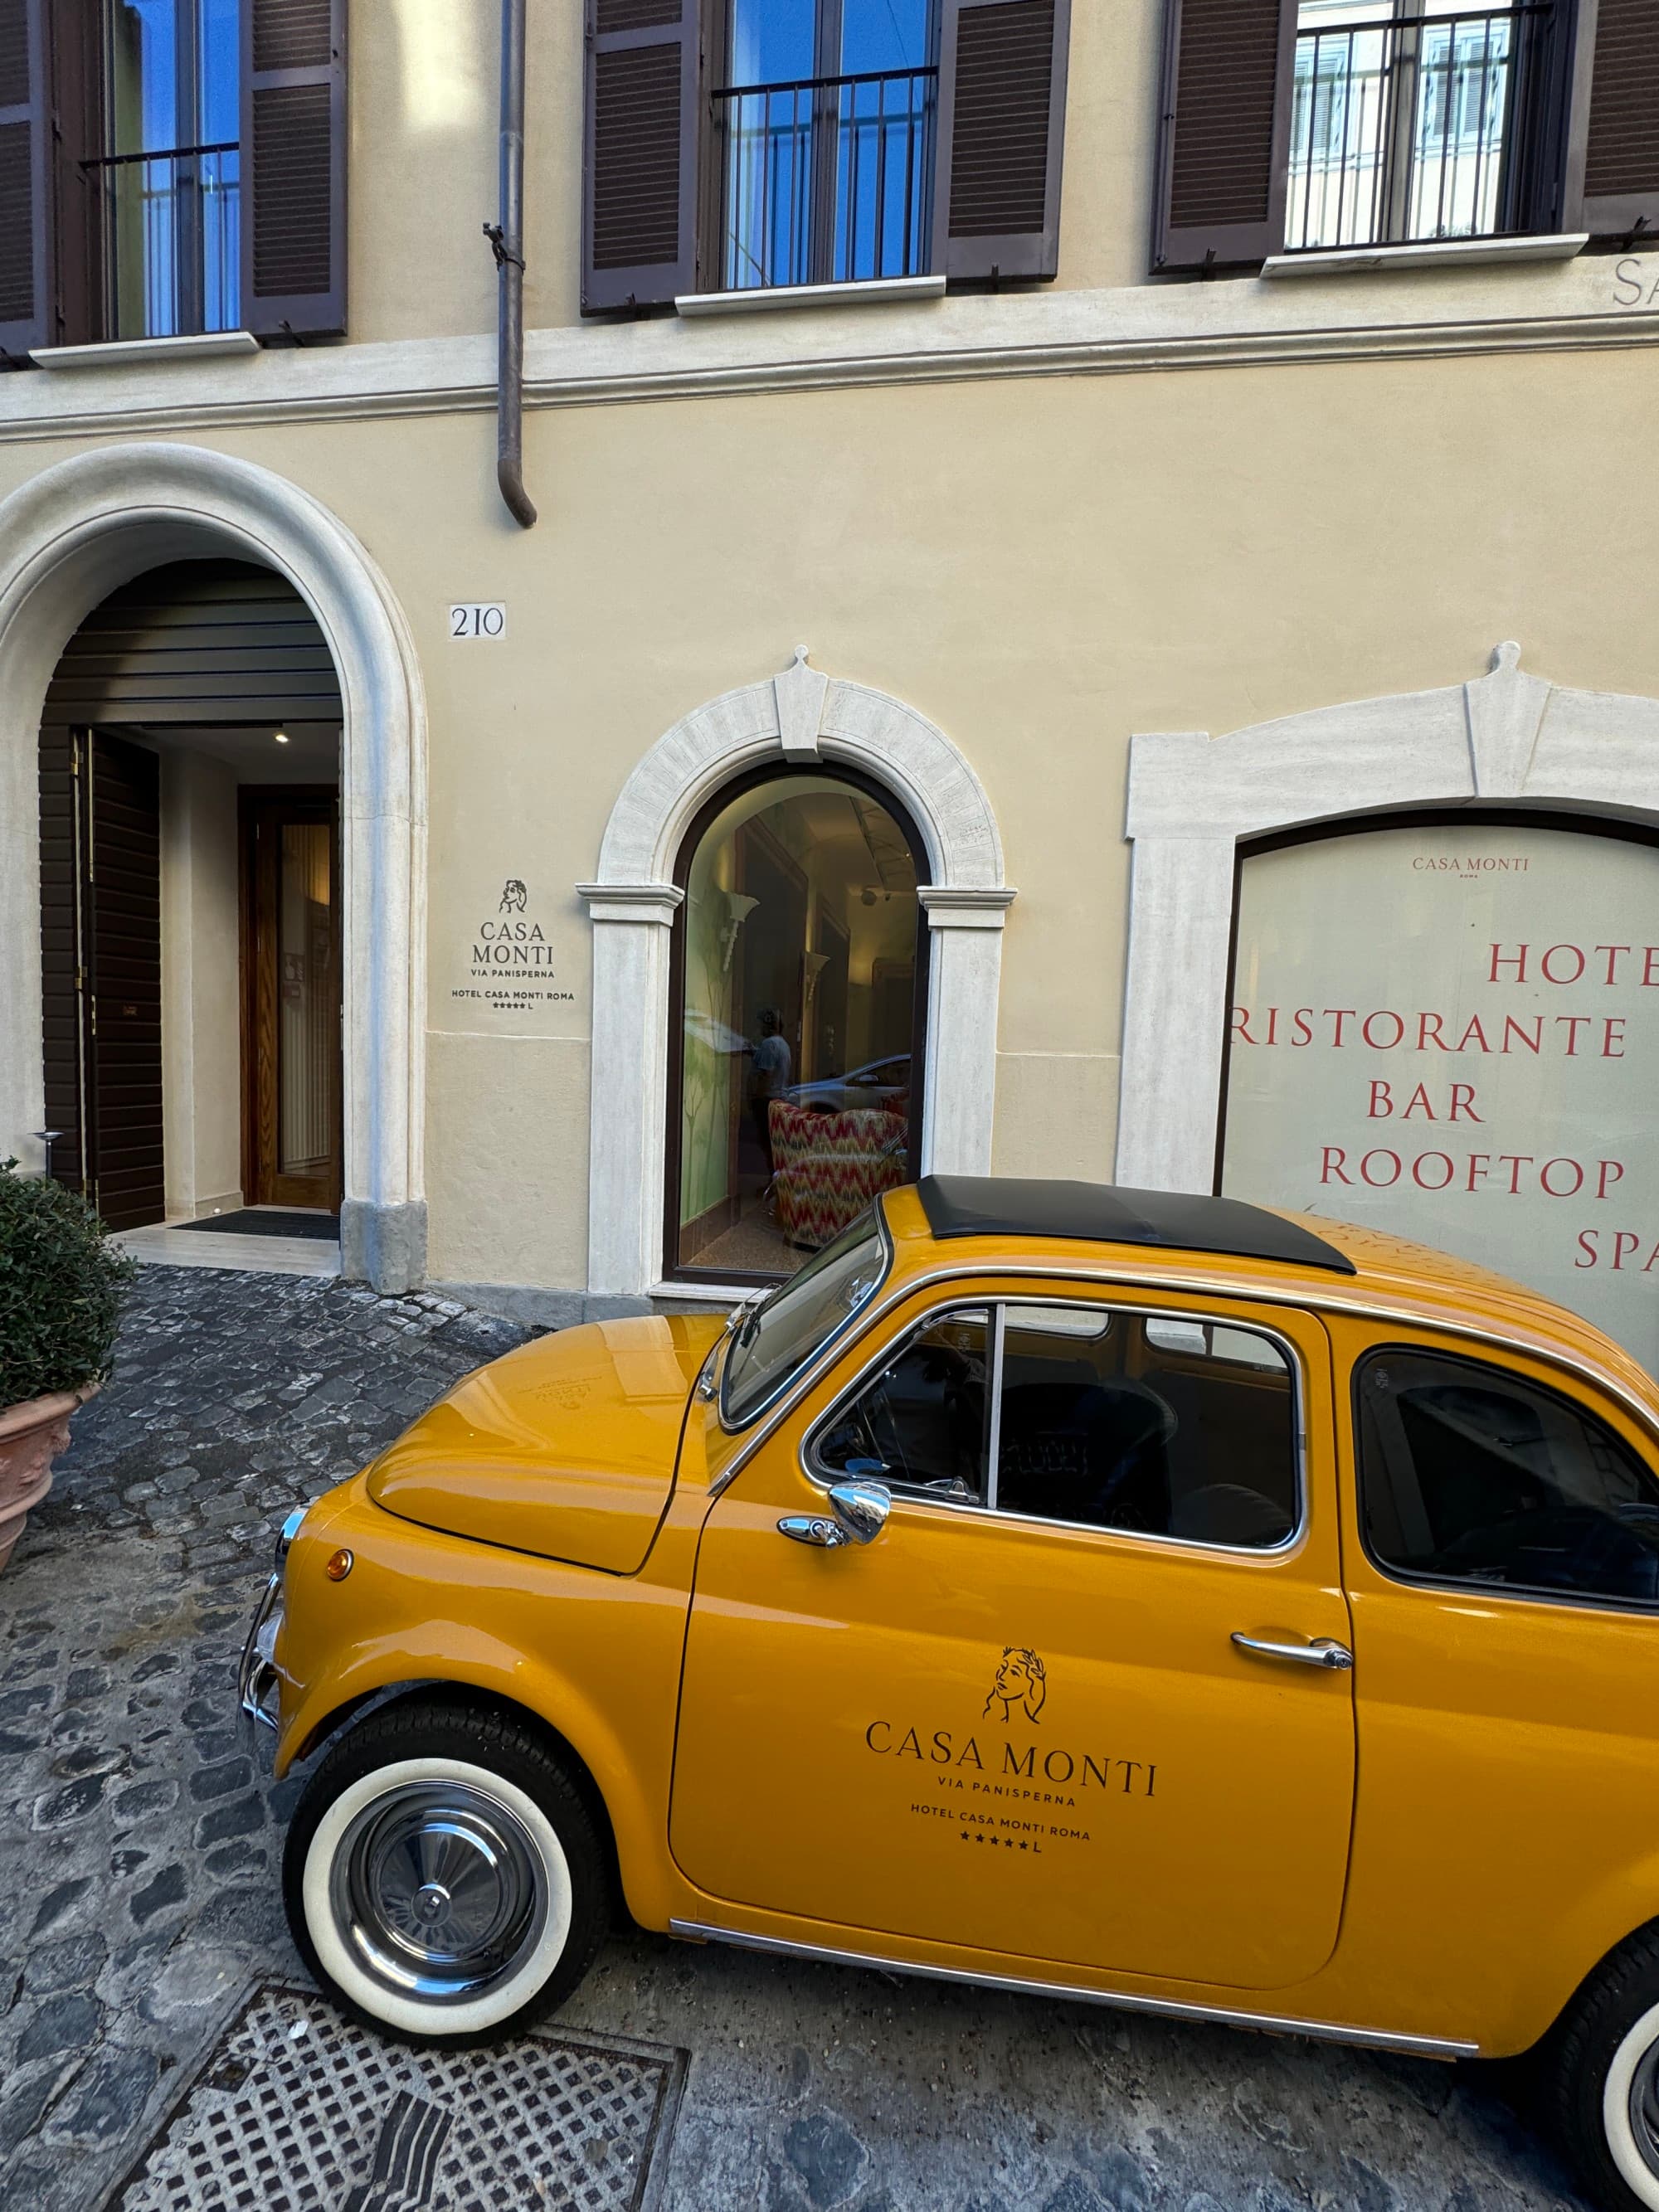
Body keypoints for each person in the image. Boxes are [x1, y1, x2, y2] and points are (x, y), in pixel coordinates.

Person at [749, 1007, 791, 1185]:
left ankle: (773, 1184)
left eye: (762, 1024)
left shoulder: (769, 1044)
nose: (760, 1028)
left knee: (767, 1143)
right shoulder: (782, 1044)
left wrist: (756, 1098)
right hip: (780, 1099)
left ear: (769, 1025)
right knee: (775, 1143)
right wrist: (755, 1052)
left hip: (767, 1100)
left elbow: (765, 1075)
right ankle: (775, 1183)